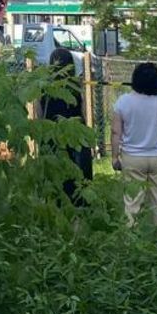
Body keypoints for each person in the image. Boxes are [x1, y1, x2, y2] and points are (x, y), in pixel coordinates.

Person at [111, 62, 157, 224]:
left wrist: (114, 157)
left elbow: (115, 132)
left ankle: (130, 233)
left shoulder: (123, 102)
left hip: (132, 158)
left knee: (132, 201)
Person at [42, 48, 92, 200]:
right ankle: (79, 200)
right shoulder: (75, 86)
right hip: (75, 133)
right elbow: (82, 111)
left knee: (55, 173)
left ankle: (56, 200)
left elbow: (39, 113)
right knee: (78, 170)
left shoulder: (44, 87)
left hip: (52, 133)